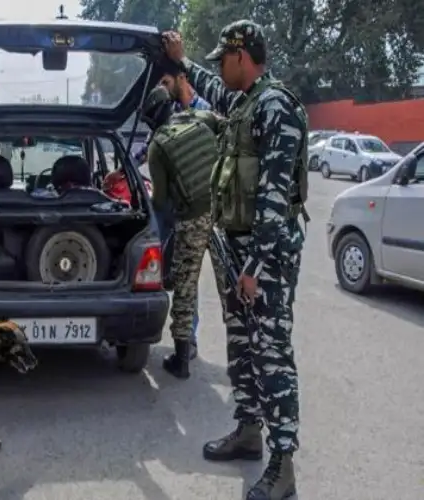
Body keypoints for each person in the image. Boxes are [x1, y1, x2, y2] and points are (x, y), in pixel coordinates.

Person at [163, 20, 308, 500]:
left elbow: (272, 198)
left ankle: (283, 464)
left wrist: (255, 269)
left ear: (242, 57)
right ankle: (248, 432)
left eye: (222, 59)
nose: (217, 70)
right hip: (239, 249)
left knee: (271, 355)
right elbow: (205, 88)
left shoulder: (276, 107)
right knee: (243, 348)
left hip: (263, 255)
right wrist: (181, 60)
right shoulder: (243, 103)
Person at [141, 77, 224, 379]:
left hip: (192, 218)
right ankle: (249, 350)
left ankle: (181, 359)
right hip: (224, 209)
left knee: (185, 287)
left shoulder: (158, 145)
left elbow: (161, 201)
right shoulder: (198, 116)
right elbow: (225, 127)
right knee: (233, 280)